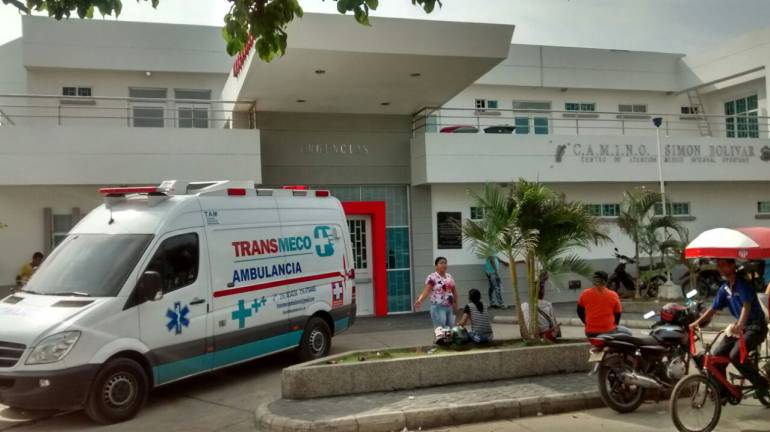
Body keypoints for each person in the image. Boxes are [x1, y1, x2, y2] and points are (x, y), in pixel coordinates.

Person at [690, 259, 769, 397]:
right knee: (716, 357)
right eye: (718, 266)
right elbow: (712, 309)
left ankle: (761, 384)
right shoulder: (724, 288)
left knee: (735, 355)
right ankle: (723, 390)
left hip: (755, 327)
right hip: (740, 328)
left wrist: (740, 325)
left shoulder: (743, 285)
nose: (719, 268)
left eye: (723, 265)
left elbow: (746, 306)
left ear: (732, 266)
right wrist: (695, 323)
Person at [577, 271, 631, 337]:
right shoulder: (613, 295)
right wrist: (614, 326)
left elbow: (579, 311)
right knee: (629, 332)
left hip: (590, 332)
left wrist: (586, 323)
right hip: (608, 331)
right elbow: (618, 314)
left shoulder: (585, 293)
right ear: (606, 281)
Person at [415, 257, 459, 329]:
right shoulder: (432, 277)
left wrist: (456, 304)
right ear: (436, 266)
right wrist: (420, 300)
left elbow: (454, 291)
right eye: (441, 263)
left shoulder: (449, 276)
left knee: (450, 328)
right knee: (441, 330)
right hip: (438, 307)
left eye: (445, 263)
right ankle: (440, 340)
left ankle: (446, 340)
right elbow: (426, 290)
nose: (444, 265)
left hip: (449, 307)